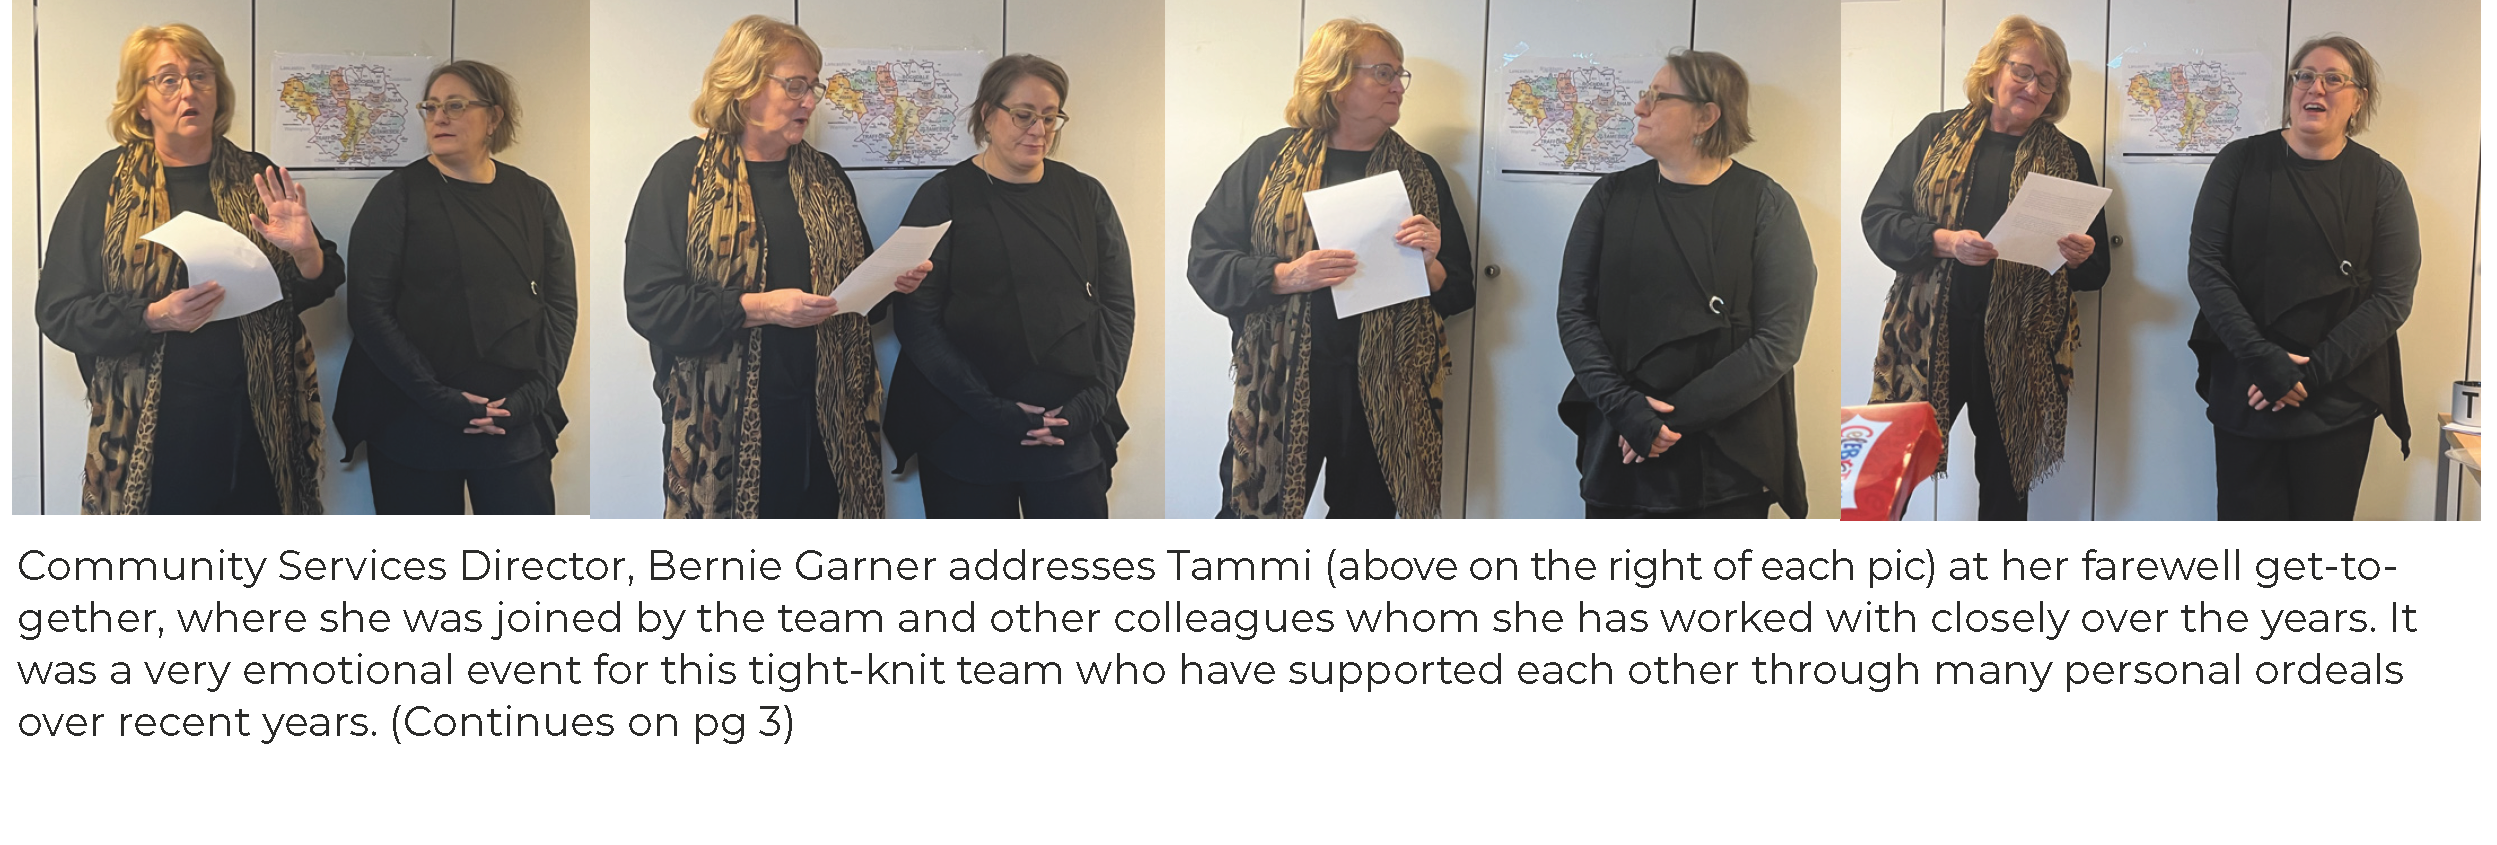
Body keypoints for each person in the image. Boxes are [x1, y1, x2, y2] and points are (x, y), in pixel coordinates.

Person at [622, 14, 928, 518]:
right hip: (720, 432)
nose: (809, 101)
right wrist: (760, 308)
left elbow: (860, 303)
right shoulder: (683, 175)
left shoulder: (826, 176)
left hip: (830, 425)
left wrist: (891, 283)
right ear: (743, 85)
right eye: (795, 85)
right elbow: (651, 305)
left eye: (813, 87)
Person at [35, 23, 341, 515]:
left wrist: (306, 252)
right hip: (151, 432)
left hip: (261, 421)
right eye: (168, 79)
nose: (188, 91)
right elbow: (60, 311)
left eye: (200, 75)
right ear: (141, 103)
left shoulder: (256, 176)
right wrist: (153, 316)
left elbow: (309, 287)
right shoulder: (105, 185)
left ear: (217, 90)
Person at [1187, 18, 1474, 518]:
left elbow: (1460, 289)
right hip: (1281, 382)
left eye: (1400, 74)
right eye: (1383, 72)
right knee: (1251, 522)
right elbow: (1207, 262)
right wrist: (1285, 276)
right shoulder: (1269, 160)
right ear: (1335, 81)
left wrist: (1429, 265)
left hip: (1390, 389)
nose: (1397, 86)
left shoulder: (1421, 173)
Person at [1863, 14, 2108, 520]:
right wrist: (1945, 242)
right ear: (1994, 70)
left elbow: (2097, 270)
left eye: (2047, 80)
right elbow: (1879, 218)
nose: (2032, 87)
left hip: (2020, 348)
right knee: (1887, 473)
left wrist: (2079, 257)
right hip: (1926, 337)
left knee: (2004, 490)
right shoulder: (1935, 134)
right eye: (2023, 71)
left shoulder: (2069, 157)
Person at [1554, 50, 1813, 519]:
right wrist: (1626, 409)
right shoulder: (1611, 196)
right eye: (1644, 95)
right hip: (1621, 446)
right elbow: (1574, 313)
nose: (1640, 107)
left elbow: (1779, 341)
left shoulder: (1766, 204)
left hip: (1726, 462)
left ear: (1705, 116)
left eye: (1657, 97)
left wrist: (1666, 422)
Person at [886, 55, 1134, 518]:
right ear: (987, 114)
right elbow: (917, 323)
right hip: (965, 432)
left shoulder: (1086, 195)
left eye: (1050, 117)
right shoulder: (943, 196)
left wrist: (1090, 404)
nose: (1038, 130)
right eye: (1023, 115)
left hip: (1067, 431)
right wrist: (992, 411)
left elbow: (1118, 309)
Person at [2187, 36, 2417, 520]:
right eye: (2305, 76)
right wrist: (2262, 361)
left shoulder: (2382, 180)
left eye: (2334, 79)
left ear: (2359, 99)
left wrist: (2306, 376)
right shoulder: (2238, 162)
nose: (2316, 87)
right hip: (2248, 385)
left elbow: (2393, 296)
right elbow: (2207, 268)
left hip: (2338, 396)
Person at [336, 60, 575, 515]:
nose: (439, 117)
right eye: (431, 107)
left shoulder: (533, 196)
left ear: (494, 118)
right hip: (414, 420)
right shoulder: (397, 195)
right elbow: (368, 311)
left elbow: (561, 307)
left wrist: (532, 398)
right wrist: (440, 400)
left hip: (513, 421)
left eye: (456, 105)